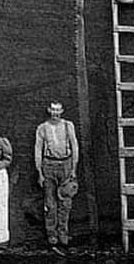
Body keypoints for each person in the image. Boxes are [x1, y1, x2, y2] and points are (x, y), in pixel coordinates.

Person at [34, 102, 79, 246]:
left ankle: (63, 232)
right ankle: (51, 234)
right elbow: (38, 150)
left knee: (65, 202)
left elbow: (74, 146)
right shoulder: (42, 127)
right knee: (50, 203)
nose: (55, 112)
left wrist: (73, 168)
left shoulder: (68, 125)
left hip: (65, 164)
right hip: (49, 165)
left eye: (58, 110)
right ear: (49, 110)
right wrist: (39, 172)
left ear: (62, 111)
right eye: (53, 109)